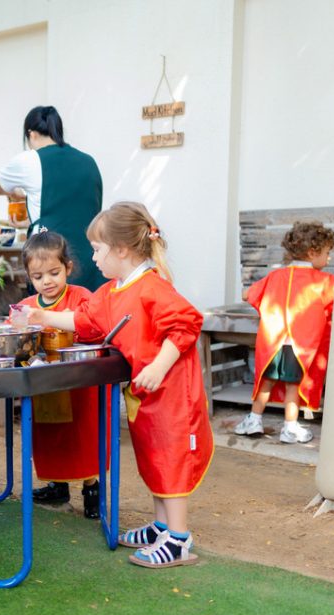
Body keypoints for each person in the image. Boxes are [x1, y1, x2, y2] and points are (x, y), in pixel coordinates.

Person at [28, 201, 213, 568]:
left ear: (122, 250)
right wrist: (40, 315)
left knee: (171, 458)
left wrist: (160, 366)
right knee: (153, 456)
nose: (93, 257)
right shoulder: (115, 289)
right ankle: (162, 526)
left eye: (98, 249)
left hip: (173, 392)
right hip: (147, 393)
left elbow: (187, 323)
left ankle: (178, 539)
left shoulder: (151, 287)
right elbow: (86, 320)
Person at [10, 232, 100, 518]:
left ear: (68, 268)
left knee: (81, 436)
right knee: (50, 435)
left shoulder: (82, 297)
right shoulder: (27, 305)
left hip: (78, 381)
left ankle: (92, 487)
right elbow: (12, 329)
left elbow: (94, 326)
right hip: (43, 383)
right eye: (38, 276)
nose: (47, 281)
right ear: (29, 276)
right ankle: (57, 484)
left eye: (54, 273)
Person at [234, 221, 334, 443]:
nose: (329, 259)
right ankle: (290, 427)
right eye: (327, 253)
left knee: (266, 383)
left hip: (273, 343)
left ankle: (254, 419)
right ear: (312, 252)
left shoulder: (276, 276)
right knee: (293, 385)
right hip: (300, 346)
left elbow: (246, 295)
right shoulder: (325, 281)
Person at [0, 105, 105, 291]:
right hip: (93, 261)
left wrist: (16, 193)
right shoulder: (89, 161)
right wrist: (32, 221)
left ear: (31, 134)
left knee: (48, 317)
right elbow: (74, 213)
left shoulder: (29, 160)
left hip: (49, 264)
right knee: (86, 315)